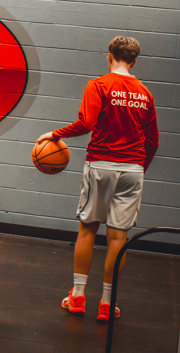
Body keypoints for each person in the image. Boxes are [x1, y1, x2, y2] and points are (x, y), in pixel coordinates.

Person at [36, 36, 159, 323]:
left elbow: (87, 123)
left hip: (101, 165)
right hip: (133, 170)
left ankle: (78, 298)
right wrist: (139, 168)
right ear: (134, 62)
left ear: (109, 56)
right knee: (118, 237)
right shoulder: (145, 93)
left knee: (88, 230)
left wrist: (54, 134)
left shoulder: (99, 85)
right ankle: (107, 303)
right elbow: (153, 141)